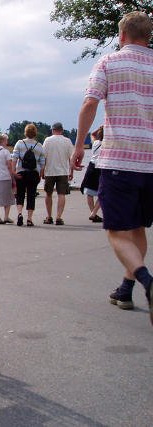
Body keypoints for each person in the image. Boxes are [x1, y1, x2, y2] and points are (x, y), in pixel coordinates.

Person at [70, 11, 153, 322]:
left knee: (117, 231)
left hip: (120, 160)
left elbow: (90, 102)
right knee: (138, 228)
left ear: (122, 35)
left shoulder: (108, 62)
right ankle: (126, 289)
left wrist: (80, 146)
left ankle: (147, 281)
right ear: (148, 36)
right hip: (151, 165)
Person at [12, 123, 45, 227]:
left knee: (20, 194)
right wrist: (40, 175)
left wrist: (13, 172)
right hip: (33, 173)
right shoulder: (39, 146)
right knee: (31, 195)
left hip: (21, 172)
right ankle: (29, 219)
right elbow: (42, 162)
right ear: (35, 133)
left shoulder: (19, 143)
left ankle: (20, 213)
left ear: (25, 132)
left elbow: (14, 158)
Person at [41, 122, 74, 225]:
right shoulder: (67, 141)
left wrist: (42, 171)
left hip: (50, 171)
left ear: (52, 130)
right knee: (61, 194)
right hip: (63, 171)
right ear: (62, 130)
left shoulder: (47, 140)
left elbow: (43, 157)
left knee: (48, 193)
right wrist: (71, 171)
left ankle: (49, 216)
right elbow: (71, 158)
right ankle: (58, 217)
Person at [79, 125, 103, 222]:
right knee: (103, 192)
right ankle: (93, 213)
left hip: (92, 167)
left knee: (89, 192)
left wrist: (101, 127)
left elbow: (92, 134)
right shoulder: (109, 143)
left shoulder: (95, 143)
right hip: (102, 167)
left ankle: (93, 213)